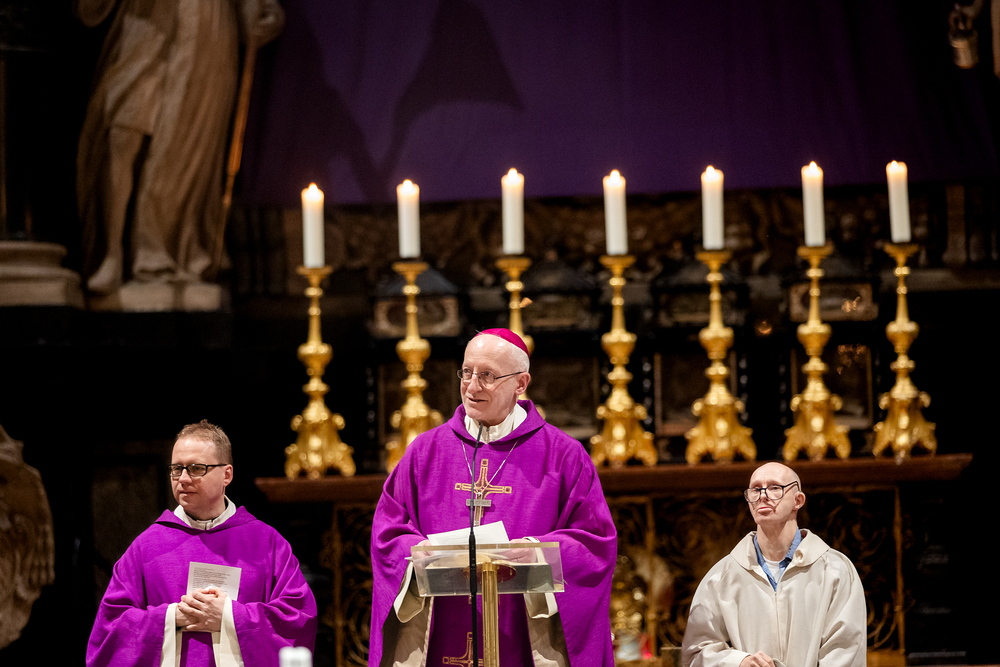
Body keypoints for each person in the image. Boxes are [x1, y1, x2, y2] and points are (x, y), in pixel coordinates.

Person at [370, 328, 617, 667]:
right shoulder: (424, 452)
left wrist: (537, 552)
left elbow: (595, 543)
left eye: (487, 376)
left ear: (520, 383)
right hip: (443, 632)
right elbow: (387, 534)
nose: (472, 387)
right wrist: (418, 553)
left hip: (522, 638)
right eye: (467, 372)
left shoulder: (563, 456)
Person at [74, 0, 283, 294]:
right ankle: (110, 252)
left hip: (205, 24)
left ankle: (156, 253)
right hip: (146, 19)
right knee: (122, 130)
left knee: (180, 148)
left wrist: (261, 10)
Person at [86, 420, 316, 667]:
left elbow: (297, 619)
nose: (183, 479)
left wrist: (229, 616)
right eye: (177, 469)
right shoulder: (146, 548)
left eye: (196, 468)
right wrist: (172, 617)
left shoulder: (266, 544)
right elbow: (110, 629)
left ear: (227, 474)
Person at [682, 462, 866, 667]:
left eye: (774, 487)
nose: (763, 495)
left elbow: (846, 652)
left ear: (798, 500)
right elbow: (696, 654)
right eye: (755, 489)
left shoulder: (835, 571)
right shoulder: (720, 577)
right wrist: (739, 662)